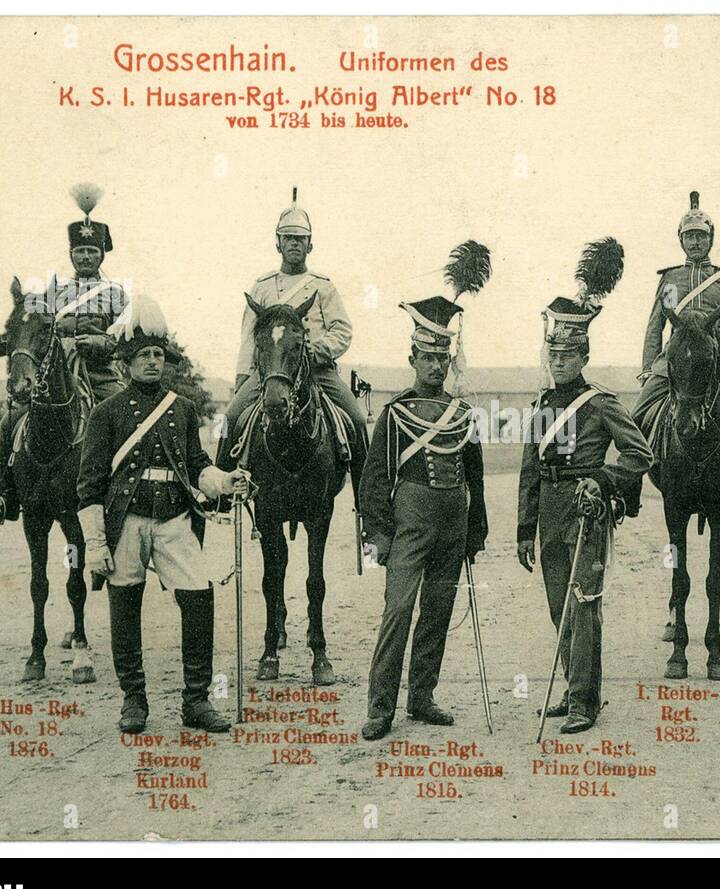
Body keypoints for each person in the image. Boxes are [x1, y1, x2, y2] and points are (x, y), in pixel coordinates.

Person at [76, 296, 247, 734]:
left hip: (174, 518)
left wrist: (224, 481)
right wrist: (96, 543)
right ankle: (133, 701)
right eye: (143, 356)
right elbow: (89, 486)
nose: (153, 362)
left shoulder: (183, 409)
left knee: (198, 596)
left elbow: (196, 466)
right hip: (126, 521)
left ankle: (196, 700)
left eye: (157, 355)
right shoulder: (105, 413)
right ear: (126, 363)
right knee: (125, 604)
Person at [518, 298, 652, 735]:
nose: (558, 363)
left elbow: (640, 453)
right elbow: (529, 470)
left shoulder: (600, 404)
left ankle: (583, 701)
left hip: (583, 508)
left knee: (583, 605)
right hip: (548, 514)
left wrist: (604, 480)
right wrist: (523, 531)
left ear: (584, 357)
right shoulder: (540, 406)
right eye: (553, 355)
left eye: (567, 356)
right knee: (560, 608)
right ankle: (579, 690)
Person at [358, 295, 488, 741]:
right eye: (427, 357)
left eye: (441, 358)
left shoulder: (463, 413)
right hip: (409, 520)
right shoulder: (394, 414)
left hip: (454, 520)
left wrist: (476, 531)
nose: (435, 366)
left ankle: (422, 696)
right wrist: (377, 532)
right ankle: (380, 706)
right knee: (398, 610)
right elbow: (374, 479)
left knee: (437, 610)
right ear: (412, 358)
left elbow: (476, 477)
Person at [0, 183, 128, 523]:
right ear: (71, 254)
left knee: (127, 420)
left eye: (92, 251)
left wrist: (101, 343)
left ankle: (125, 496)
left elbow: (127, 338)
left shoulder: (115, 293)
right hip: (55, 374)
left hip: (101, 376)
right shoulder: (54, 291)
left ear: (102, 255)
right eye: (80, 251)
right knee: (10, 421)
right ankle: (7, 495)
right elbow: (28, 333)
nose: (85, 257)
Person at [217, 191, 368, 503]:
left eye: (301, 239)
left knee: (355, 417)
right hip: (270, 373)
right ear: (278, 243)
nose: (294, 244)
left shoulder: (323, 287)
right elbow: (249, 338)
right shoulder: (262, 287)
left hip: (316, 370)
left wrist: (316, 350)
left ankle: (368, 500)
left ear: (310, 244)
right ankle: (220, 495)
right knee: (230, 418)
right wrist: (242, 380)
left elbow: (343, 330)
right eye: (288, 238)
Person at [632, 190, 720, 521]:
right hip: (675, 360)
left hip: (717, 358)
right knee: (636, 416)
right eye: (689, 237)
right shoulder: (669, 278)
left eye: (700, 236)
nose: (695, 242)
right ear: (681, 241)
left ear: (710, 239)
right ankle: (628, 494)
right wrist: (648, 368)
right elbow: (655, 327)